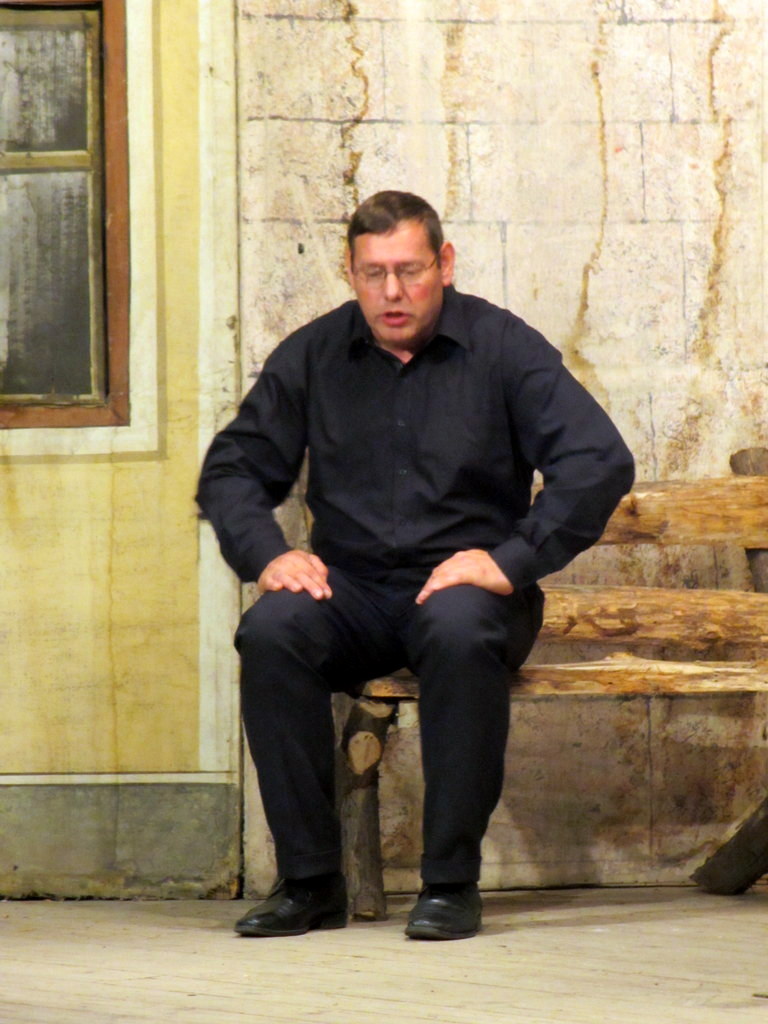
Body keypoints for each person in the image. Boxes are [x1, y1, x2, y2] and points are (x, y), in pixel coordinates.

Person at [196, 190, 635, 940]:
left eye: (409, 270)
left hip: (468, 589)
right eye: (374, 274)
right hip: (354, 592)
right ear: (351, 272)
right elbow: (232, 469)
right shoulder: (312, 354)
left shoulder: (503, 347)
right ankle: (309, 883)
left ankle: (450, 883)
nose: (392, 292)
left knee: (460, 631)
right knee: (272, 632)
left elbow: (598, 460)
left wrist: (510, 560)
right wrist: (269, 555)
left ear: (445, 264)